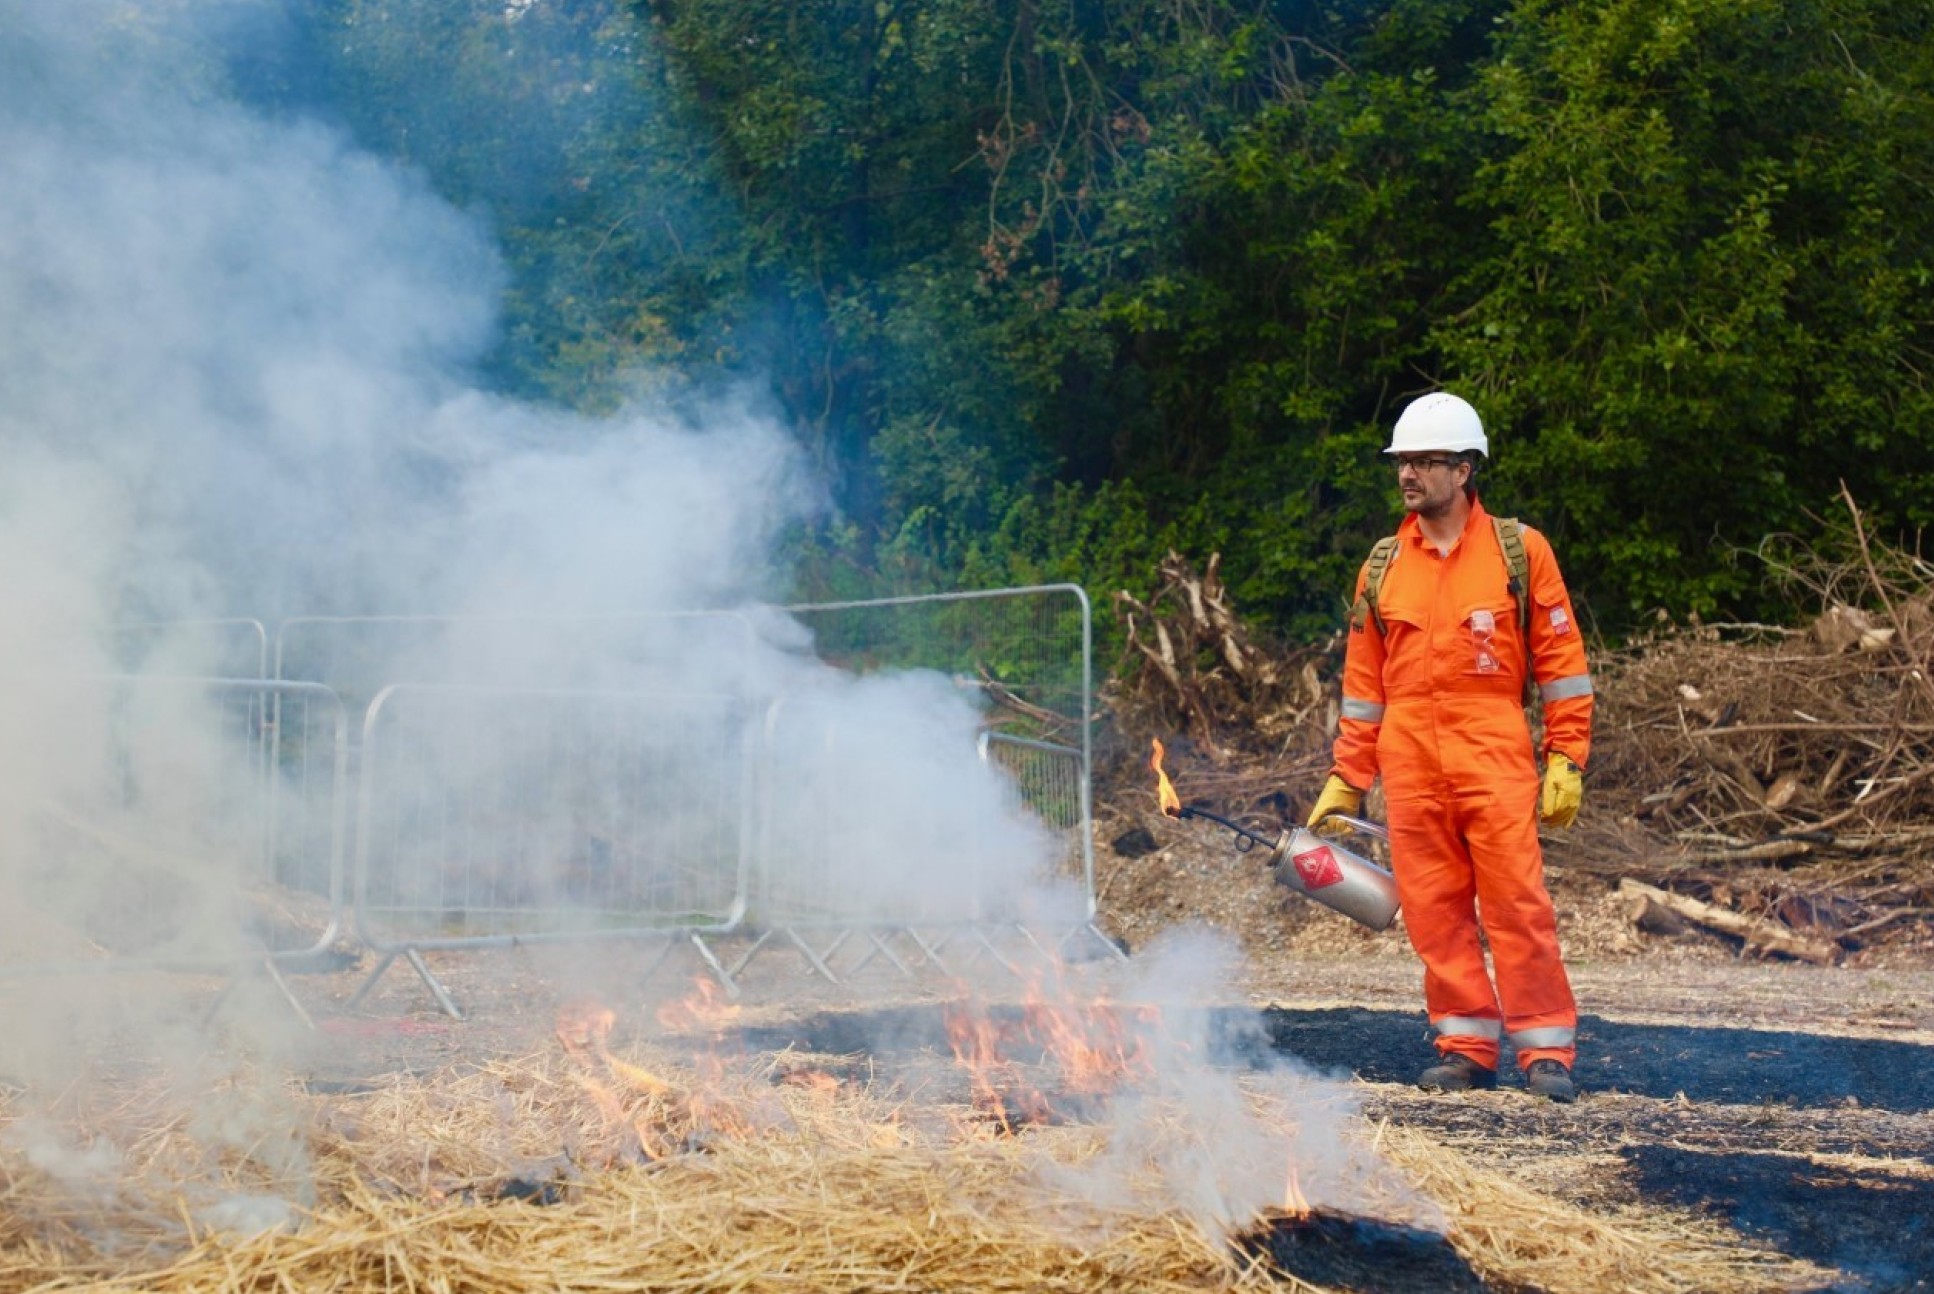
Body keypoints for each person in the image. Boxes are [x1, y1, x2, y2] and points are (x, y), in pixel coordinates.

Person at [1307, 392, 1593, 1103]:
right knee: (1435, 912)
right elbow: (1364, 686)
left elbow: (1562, 665)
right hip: (1410, 763)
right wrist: (1348, 776)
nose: (1409, 474)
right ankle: (1465, 1045)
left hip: (1492, 754)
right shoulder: (1381, 566)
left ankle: (1544, 1051)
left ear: (1465, 470)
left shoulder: (1519, 552)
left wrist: (1566, 757)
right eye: (1403, 460)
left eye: (1426, 461)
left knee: (1517, 906)